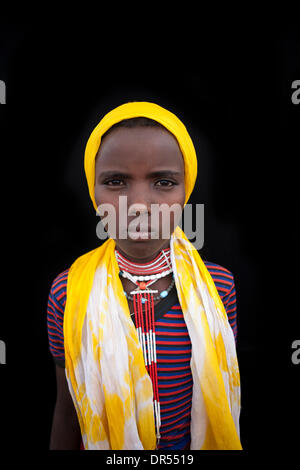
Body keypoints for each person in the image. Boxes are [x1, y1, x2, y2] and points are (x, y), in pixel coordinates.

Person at [47, 102, 242, 450]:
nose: (138, 203)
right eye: (116, 181)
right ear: (93, 191)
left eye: (163, 182)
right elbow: (67, 411)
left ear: (186, 190)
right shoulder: (68, 292)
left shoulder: (218, 287)